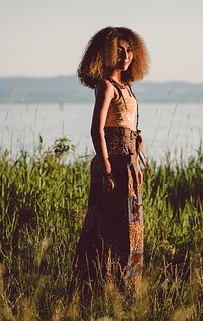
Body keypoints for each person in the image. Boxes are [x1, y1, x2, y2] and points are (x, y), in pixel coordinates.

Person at [71, 26, 150, 299]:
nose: (125, 56)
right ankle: (98, 289)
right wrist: (106, 169)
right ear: (106, 52)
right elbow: (97, 130)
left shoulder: (127, 87)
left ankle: (127, 290)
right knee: (106, 228)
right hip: (112, 165)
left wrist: (137, 167)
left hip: (127, 166)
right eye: (118, 50)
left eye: (129, 50)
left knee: (132, 228)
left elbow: (132, 132)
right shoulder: (106, 85)